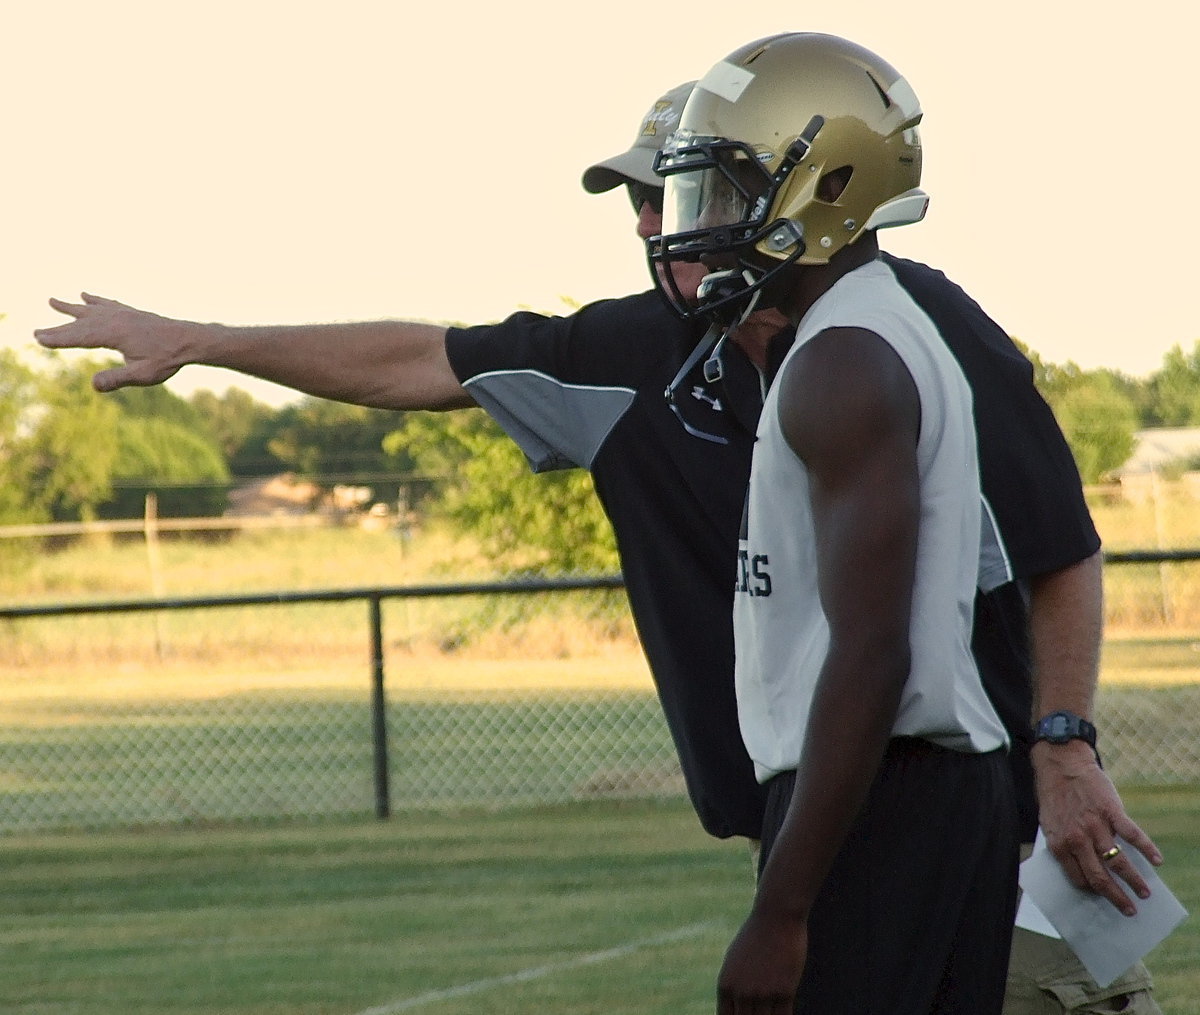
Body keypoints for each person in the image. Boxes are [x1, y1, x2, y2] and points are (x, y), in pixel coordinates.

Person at [35, 71, 1160, 1014]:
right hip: (825, 819)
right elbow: (419, 360)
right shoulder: (632, 352)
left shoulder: (894, 330)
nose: (650, 221)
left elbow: (1057, 549)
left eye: (678, 190)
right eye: (646, 198)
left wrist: (1063, 749)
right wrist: (207, 340)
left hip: (987, 824)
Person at [643, 32, 1154, 1013]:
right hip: (924, 791)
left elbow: (871, 656)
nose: (699, 225)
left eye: (726, 189)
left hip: (887, 796)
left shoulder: (844, 358)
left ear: (821, 183)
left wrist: (783, 908)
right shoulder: (877, 326)